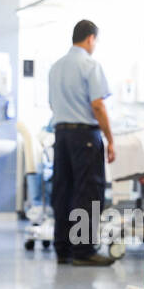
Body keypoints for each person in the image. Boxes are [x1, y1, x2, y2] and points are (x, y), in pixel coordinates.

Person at [47, 19, 116, 266]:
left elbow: (52, 105)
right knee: (87, 191)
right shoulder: (89, 65)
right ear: (90, 38)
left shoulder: (55, 67)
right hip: (85, 135)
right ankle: (84, 250)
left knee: (62, 190)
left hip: (61, 134)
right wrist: (109, 139)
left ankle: (63, 248)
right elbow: (97, 104)